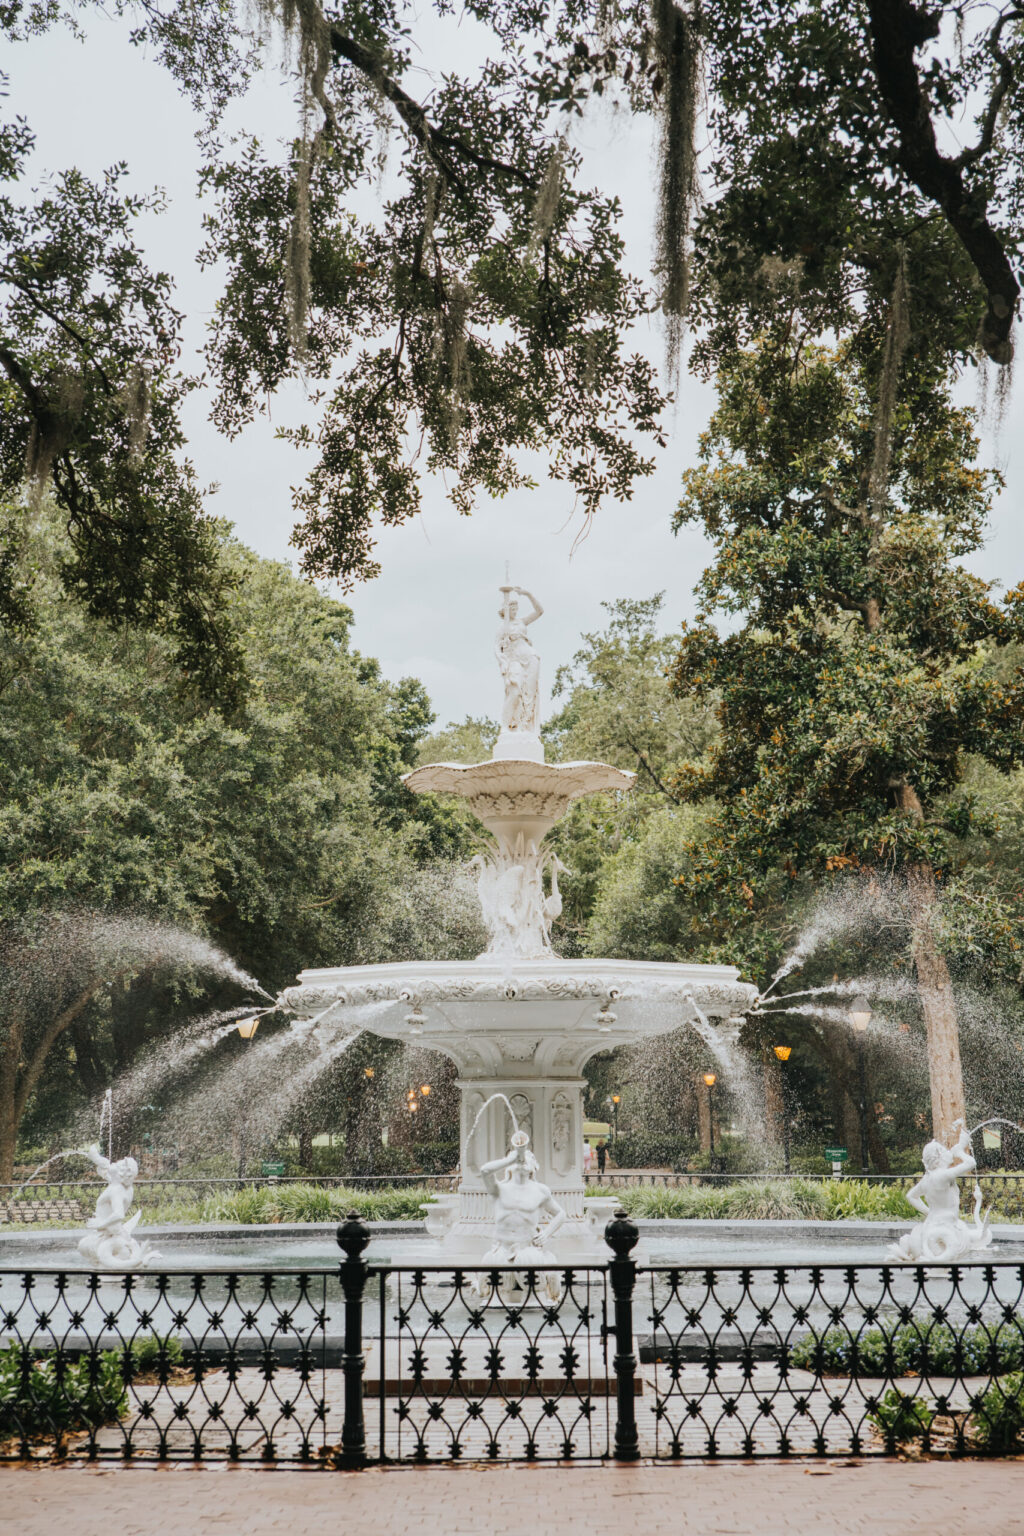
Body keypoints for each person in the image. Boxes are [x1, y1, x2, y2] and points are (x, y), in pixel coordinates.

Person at [495, 586, 543, 735]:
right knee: (514, 691)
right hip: (514, 660)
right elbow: (496, 647)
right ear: (505, 610)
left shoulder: (522, 622)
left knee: (529, 694)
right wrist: (502, 660)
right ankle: (506, 725)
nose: (515, 610)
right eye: (512, 607)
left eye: (516, 608)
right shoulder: (503, 627)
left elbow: (539, 611)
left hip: (531, 657)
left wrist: (528, 593)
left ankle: (525, 728)